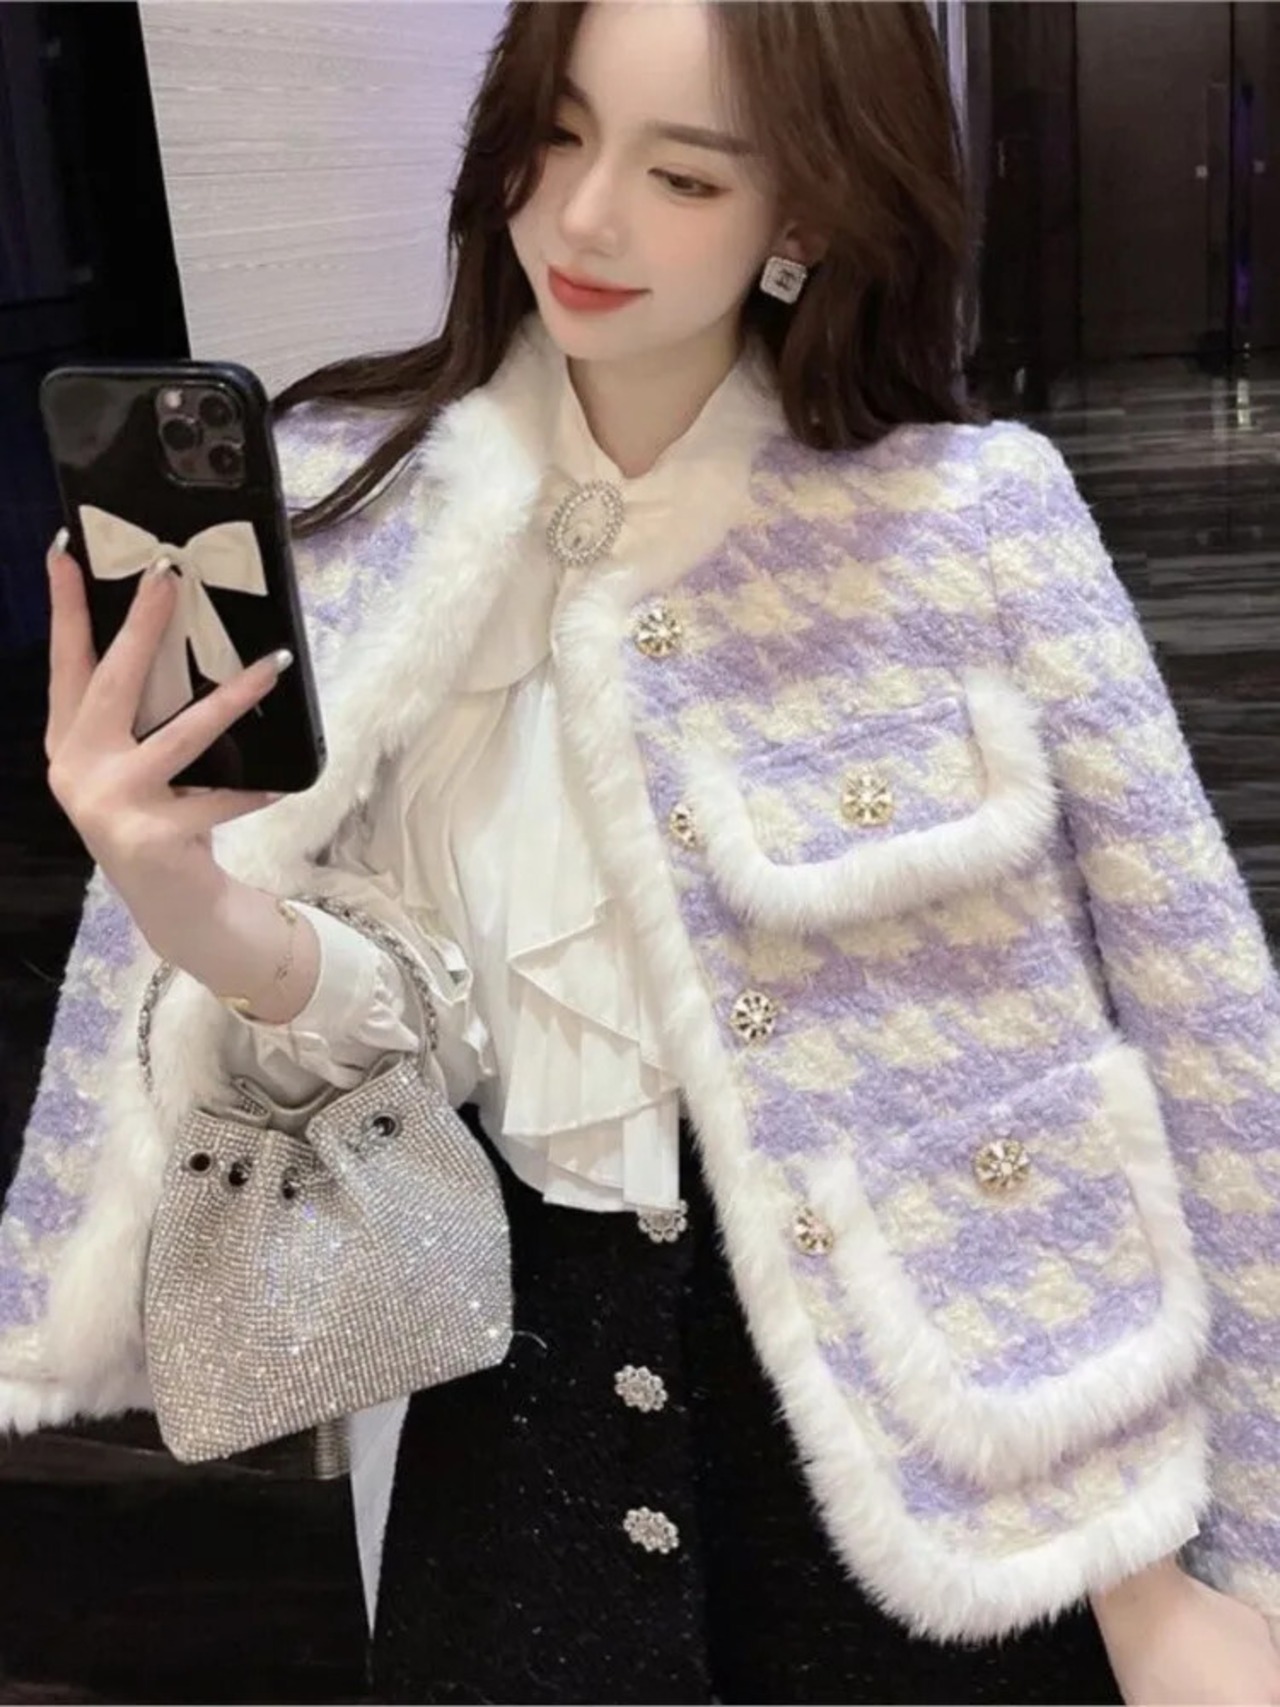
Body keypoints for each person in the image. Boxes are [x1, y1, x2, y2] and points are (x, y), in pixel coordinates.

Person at [3, 1, 1279, 1702]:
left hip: (934, 1434)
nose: (586, 218)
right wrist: (185, 899)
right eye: (555, 133)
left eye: (685, 175)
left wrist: (1220, 1568)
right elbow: (412, 1022)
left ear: (807, 211)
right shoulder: (348, 507)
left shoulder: (971, 520)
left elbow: (1205, 1038)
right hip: (509, 1405)